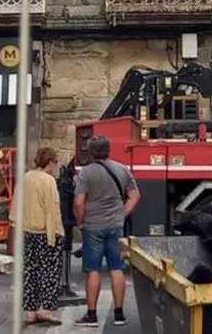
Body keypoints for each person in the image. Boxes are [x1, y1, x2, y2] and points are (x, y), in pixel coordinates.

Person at [73, 136, 139, 327]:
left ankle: (92, 315)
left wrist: (80, 223)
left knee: (93, 269)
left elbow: (78, 202)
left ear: (91, 152)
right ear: (109, 150)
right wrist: (121, 215)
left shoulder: (85, 173)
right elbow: (134, 196)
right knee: (116, 268)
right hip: (115, 226)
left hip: (93, 226)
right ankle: (119, 315)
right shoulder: (122, 169)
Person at [22, 147, 66, 326]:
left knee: (30, 271)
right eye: (55, 162)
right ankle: (44, 309)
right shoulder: (48, 181)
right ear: (50, 162)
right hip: (46, 232)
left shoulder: (26, 178)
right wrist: (55, 235)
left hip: (28, 232)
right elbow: (51, 210)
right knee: (49, 272)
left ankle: (31, 312)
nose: (55, 167)